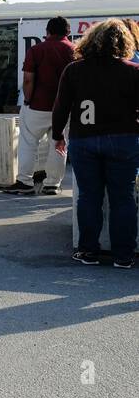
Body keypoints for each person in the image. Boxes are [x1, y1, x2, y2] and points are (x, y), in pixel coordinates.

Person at [52, 19, 139, 267]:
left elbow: (61, 107)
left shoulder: (74, 70)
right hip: (124, 140)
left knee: (89, 197)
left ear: (90, 41)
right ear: (125, 43)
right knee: (123, 197)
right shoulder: (133, 71)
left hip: (84, 140)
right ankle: (124, 255)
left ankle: (88, 250)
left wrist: (58, 135)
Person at [5, 16, 73, 196]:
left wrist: (28, 101)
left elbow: (28, 80)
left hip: (37, 106)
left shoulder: (36, 50)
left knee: (28, 143)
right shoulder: (74, 51)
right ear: (68, 32)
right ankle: (52, 184)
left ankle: (25, 182)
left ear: (47, 32)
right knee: (59, 144)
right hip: (64, 108)